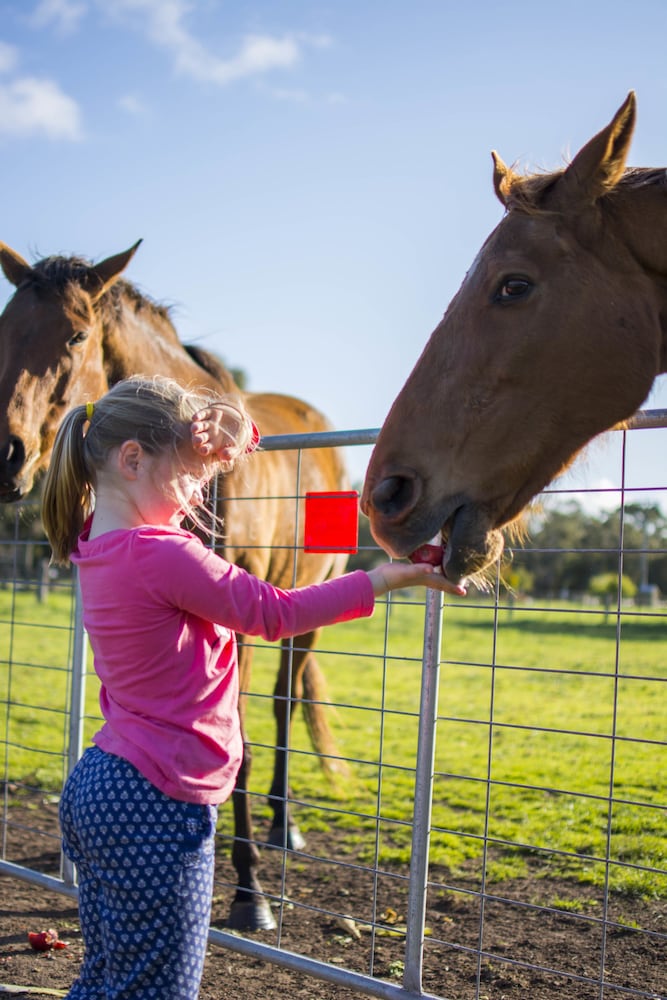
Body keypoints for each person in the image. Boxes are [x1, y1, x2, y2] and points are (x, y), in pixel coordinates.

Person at [41, 374, 466, 1000]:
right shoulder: (166, 554)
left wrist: (235, 433)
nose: (198, 495)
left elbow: (171, 489)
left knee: (107, 980)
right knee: (159, 990)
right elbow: (274, 612)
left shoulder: (95, 543)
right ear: (132, 460)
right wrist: (385, 579)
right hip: (158, 801)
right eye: (189, 476)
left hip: (101, 787)